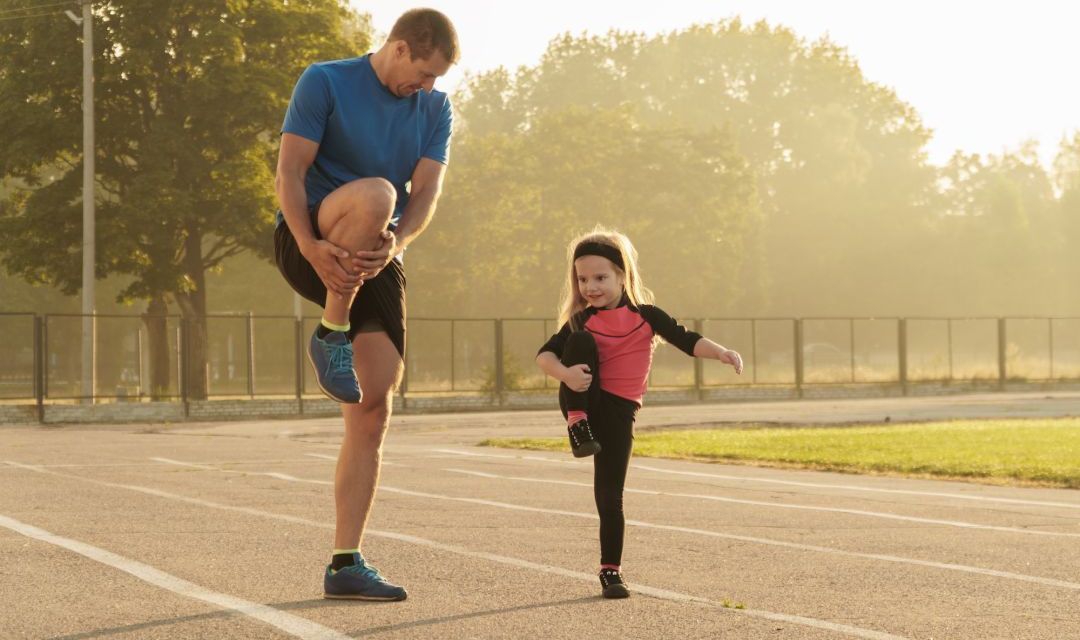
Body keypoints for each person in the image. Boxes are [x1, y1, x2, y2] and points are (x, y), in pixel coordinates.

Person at [273, 8, 459, 601]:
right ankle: (331, 329)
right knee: (380, 192)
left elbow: (426, 191)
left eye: (437, 79)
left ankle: (344, 562)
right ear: (400, 48)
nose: (427, 87)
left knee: (372, 405)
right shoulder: (324, 80)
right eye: (423, 73)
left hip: (378, 251)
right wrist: (308, 244)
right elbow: (290, 171)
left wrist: (396, 245)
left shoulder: (436, 108)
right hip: (312, 231)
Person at [535, 227, 744, 599]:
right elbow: (545, 356)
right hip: (585, 399)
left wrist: (722, 352)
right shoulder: (582, 321)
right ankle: (577, 426)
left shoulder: (646, 316)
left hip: (620, 412)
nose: (591, 287)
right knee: (579, 341)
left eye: (600, 278)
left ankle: (610, 572)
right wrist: (566, 374)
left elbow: (686, 338)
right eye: (583, 279)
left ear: (621, 275)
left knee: (610, 495)